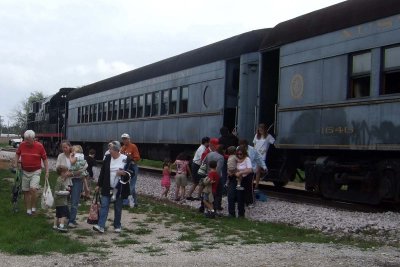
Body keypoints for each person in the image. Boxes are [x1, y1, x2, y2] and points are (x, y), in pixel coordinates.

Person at [93, 141, 133, 233]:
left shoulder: (126, 159)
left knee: (118, 208)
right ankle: (101, 226)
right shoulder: (107, 158)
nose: (109, 151)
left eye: (110, 149)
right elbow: (102, 172)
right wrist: (98, 185)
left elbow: (131, 172)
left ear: (116, 150)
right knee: (104, 206)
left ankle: (117, 225)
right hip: (107, 186)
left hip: (119, 188)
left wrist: (123, 173)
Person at [13, 130, 49, 216]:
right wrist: (15, 163)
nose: (27, 142)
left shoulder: (39, 146)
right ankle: (28, 210)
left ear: (34, 139)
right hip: (24, 170)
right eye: (25, 139)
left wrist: (47, 171)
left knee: (33, 189)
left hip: (36, 171)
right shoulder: (22, 145)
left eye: (28, 140)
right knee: (25, 191)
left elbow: (45, 159)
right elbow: (17, 154)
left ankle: (33, 208)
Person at [56, 140, 87, 228]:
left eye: (66, 147)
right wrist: (63, 172)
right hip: (65, 180)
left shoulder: (77, 154)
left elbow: (83, 167)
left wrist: (71, 173)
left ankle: (71, 220)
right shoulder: (60, 156)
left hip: (76, 180)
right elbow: (57, 168)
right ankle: (64, 217)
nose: (64, 149)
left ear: (70, 146)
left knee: (74, 201)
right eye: (63, 147)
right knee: (64, 200)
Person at [200, 139, 225, 213]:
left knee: (206, 193)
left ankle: (203, 207)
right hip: (216, 178)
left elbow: (203, 162)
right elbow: (218, 169)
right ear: (222, 150)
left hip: (208, 176)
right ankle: (216, 208)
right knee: (217, 194)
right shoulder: (220, 157)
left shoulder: (209, 154)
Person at [227, 145, 252, 218]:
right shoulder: (234, 158)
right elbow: (230, 167)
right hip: (234, 178)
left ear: (244, 153)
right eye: (237, 154)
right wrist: (231, 172)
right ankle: (231, 213)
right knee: (231, 196)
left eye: (241, 154)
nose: (239, 155)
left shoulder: (247, 159)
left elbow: (250, 169)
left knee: (240, 197)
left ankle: (241, 214)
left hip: (243, 179)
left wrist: (240, 172)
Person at [120, 133, 141, 208]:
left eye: (125, 138)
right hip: (125, 167)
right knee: (127, 184)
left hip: (132, 167)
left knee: (131, 185)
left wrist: (131, 159)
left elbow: (137, 157)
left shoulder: (133, 146)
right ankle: (134, 202)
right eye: (123, 139)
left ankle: (126, 201)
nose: (124, 140)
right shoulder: (122, 148)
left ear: (129, 139)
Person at [253, 123, 275, 188]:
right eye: (259, 129)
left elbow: (274, 142)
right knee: (254, 170)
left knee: (257, 171)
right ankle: (264, 172)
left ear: (265, 129)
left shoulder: (268, 136)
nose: (260, 130)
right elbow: (254, 145)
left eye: (262, 129)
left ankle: (256, 185)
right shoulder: (257, 135)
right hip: (255, 154)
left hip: (262, 155)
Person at [53, 165, 72, 232]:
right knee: (64, 214)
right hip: (61, 201)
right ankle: (61, 226)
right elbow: (57, 191)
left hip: (59, 201)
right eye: (66, 172)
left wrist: (67, 187)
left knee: (57, 214)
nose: (67, 174)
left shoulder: (61, 179)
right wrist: (66, 192)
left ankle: (55, 225)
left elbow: (62, 186)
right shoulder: (59, 180)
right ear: (62, 173)